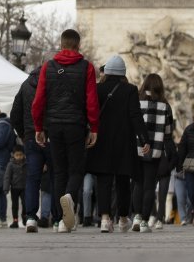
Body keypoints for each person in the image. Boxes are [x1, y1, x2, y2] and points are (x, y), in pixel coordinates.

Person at [32, 29, 100, 234]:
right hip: (76, 125)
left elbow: (38, 101)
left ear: (61, 45)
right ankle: (70, 198)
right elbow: (91, 101)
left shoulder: (48, 67)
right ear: (78, 46)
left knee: (59, 171)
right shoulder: (86, 68)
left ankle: (62, 221)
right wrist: (94, 127)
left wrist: (38, 127)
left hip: (53, 125)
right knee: (77, 169)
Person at [86, 55, 150, 233]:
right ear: (123, 73)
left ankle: (105, 219)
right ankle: (122, 218)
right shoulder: (130, 90)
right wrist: (145, 139)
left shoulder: (97, 89)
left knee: (104, 181)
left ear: (106, 72)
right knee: (123, 181)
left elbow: (89, 114)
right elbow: (135, 116)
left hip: (101, 141)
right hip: (124, 142)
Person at [10, 65, 60, 233]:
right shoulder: (54, 83)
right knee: (55, 176)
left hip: (31, 136)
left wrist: (24, 134)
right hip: (52, 135)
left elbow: (15, 113)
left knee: (32, 178)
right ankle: (56, 218)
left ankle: (30, 217)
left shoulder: (25, 85)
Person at [131, 73, 175, 232]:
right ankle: (143, 221)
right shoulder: (165, 105)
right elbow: (169, 132)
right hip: (155, 150)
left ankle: (136, 217)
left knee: (138, 184)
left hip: (137, 148)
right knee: (149, 186)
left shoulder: (136, 101)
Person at [4, 145, 28, 228]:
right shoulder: (10, 165)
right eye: (17, 155)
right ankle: (15, 220)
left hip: (24, 188)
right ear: (13, 155)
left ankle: (25, 217)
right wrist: (6, 188)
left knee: (25, 204)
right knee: (15, 205)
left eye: (20, 155)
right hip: (14, 188)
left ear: (24, 155)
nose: (19, 157)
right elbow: (7, 177)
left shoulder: (27, 163)